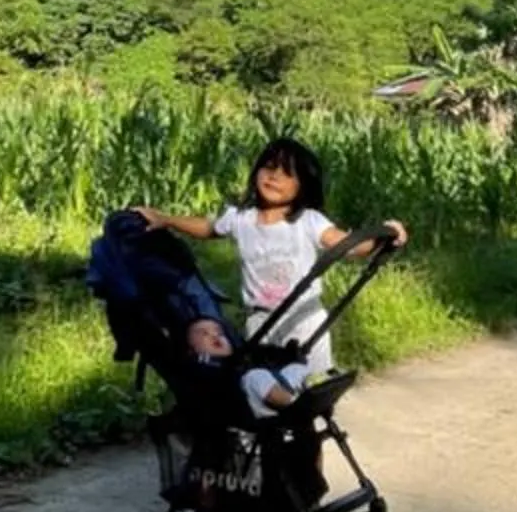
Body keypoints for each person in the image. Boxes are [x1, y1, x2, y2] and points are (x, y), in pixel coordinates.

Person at [127, 138, 406, 415]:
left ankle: (305, 451)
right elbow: (209, 228)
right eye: (269, 167)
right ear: (257, 171)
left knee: (307, 405)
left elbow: (349, 244)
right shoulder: (242, 219)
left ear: (303, 186)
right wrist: (167, 219)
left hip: (304, 322)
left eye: (287, 173)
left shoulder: (308, 221)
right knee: (264, 392)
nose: (274, 176)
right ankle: (270, 444)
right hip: (261, 322)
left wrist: (384, 235)